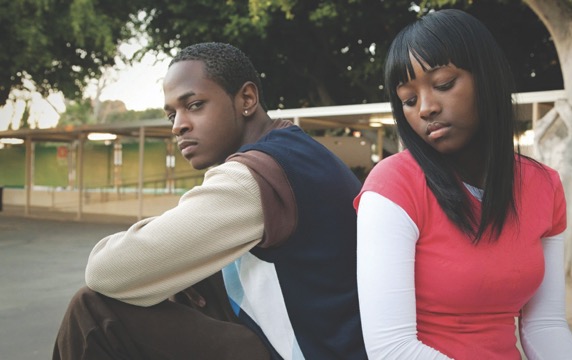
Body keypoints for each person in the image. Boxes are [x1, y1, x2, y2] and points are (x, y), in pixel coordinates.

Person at [53, 42, 367, 360]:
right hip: (326, 340)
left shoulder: (255, 174)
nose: (178, 125)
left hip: (309, 351)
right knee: (187, 282)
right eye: (172, 114)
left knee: (94, 310)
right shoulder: (294, 151)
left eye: (195, 105)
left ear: (246, 98)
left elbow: (105, 270)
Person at [354, 9, 572, 360]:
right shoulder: (393, 185)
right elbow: (391, 349)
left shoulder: (544, 185)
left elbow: (546, 326)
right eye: (409, 99)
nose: (426, 109)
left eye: (444, 84)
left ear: (487, 77)